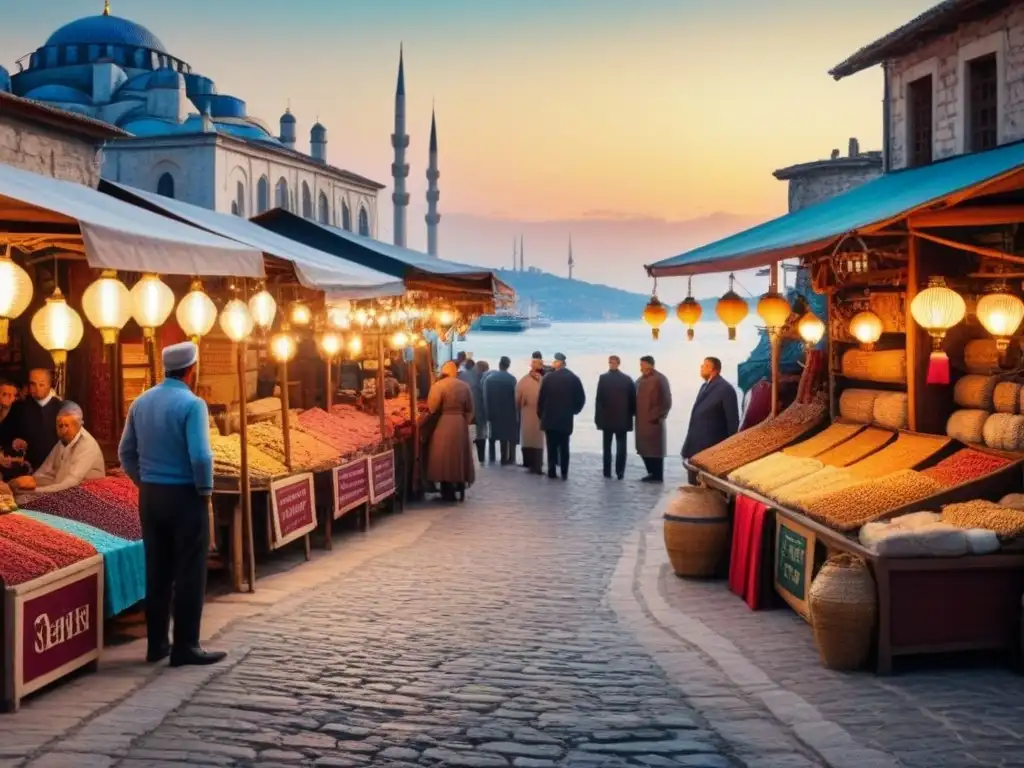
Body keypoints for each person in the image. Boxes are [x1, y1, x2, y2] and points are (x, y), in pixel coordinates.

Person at [118, 341, 224, 668]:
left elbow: (125, 452)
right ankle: (186, 645)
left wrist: (144, 480)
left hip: (150, 496)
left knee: (158, 569)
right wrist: (204, 491)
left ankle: (156, 644)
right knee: (190, 570)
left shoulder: (141, 402)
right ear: (191, 370)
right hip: (184, 496)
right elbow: (202, 455)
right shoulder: (193, 404)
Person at [9, 401, 104, 494]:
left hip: (87, 495)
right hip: (63, 491)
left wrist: (30, 491)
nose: (63, 430)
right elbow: (44, 472)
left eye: (67, 425)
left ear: (78, 425)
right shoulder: (63, 442)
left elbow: (69, 484)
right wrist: (23, 483)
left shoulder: (86, 446)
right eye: (60, 426)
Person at [681, 356, 739, 485]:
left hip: (711, 448)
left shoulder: (726, 389)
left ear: (715, 370)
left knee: (706, 486)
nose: (701, 367)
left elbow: (732, 421)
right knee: (693, 483)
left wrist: (729, 448)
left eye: (705, 365)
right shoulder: (704, 386)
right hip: (695, 445)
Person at [425, 360, 475, 501]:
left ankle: (446, 487)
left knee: (442, 456)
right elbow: (471, 409)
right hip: (460, 423)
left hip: (444, 422)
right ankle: (459, 482)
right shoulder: (465, 387)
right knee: (459, 455)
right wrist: (464, 421)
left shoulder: (439, 386)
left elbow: (432, 407)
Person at [537, 352, 586, 480]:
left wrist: (541, 414)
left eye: (554, 362)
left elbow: (541, 399)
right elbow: (581, 398)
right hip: (565, 419)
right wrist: (574, 411)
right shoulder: (574, 378)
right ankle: (564, 472)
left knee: (551, 446)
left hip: (549, 418)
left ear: (558, 363)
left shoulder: (548, 378)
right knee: (564, 446)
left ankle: (551, 471)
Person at [10, 369, 62, 473]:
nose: (37, 388)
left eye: (41, 384)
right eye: (33, 384)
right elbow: (9, 434)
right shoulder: (19, 408)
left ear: (49, 385)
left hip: (56, 467)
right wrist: (15, 441)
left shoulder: (61, 408)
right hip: (26, 466)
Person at [595, 355, 636, 480]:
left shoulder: (603, 378)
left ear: (617, 363)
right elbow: (633, 400)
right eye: (610, 362)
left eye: (612, 362)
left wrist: (598, 418)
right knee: (619, 447)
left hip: (609, 419)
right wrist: (631, 415)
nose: (611, 364)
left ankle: (609, 472)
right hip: (621, 419)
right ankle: (619, 472)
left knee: (610, 447)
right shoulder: (627, 380)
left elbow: (599, 400)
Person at [635, 355, 673, 483]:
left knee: (655, 451)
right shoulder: (639, 381)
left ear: (650, 365)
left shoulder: (660, 379)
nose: (641, 368)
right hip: (641, 421)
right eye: (640, 365)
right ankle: (651, 472)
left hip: (654, 422)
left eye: (643, 365)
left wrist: (659, 415)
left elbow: (667, 400)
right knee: (643, 449)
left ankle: (657, 475)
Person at [484, 356, 518, 465]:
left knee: (492, 436)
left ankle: (491, 458)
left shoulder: (489, 379)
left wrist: (487, 412)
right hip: (507, 413)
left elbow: (485, 397)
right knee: (504, 437)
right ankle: (504, 459)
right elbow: (515, 398)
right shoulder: (512, 379)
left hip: (493, 412)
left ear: (499, 365)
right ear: (508, 366)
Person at [516, 359, 545, 474]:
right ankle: (537, 463)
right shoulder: (544, 381)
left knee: (528, 438)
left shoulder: (523, 381)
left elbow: (517, 400)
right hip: (539, 414)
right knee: (537, 439)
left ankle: (528, 462)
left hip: (528, 413)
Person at [459, 359, 488, 463]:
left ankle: (468, 458)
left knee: (469, 435)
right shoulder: (481, 377)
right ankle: (481, 458)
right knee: (480, 434)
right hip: (477, 411)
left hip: (466, 411)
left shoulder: (462, 376)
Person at [0, 379, 27, 481]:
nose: (9, 398)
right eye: (5, 394)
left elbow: (22, 441)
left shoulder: (19, 414)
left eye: (12, 395)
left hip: (12, 458)